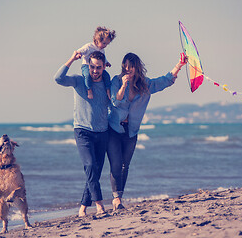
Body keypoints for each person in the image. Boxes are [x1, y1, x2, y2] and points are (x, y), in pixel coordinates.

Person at [107, 52, 188, 210]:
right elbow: (115, 102)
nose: (128, 69)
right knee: (116, 164)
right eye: (125, 67)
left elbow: (165, 81)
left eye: (131, 67)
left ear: (137, 68)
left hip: (131, 130)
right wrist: (124, 85)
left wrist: (179, 65)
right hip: (114, 128)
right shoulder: (116, 81)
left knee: (125, 165)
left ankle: (119, 197)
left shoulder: (145, 85)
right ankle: (116, 199)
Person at [54, 50, 110, 217]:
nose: (95, 71)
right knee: (90, 166)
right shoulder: (79, 80)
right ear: (88, 66)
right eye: (92, 67)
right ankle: (99, 205)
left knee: (95, 172)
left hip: (102, 132)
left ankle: (83, 207)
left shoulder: (107, 85)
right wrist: (72, 58)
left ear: (104, 67)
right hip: (83, 131)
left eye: (98, 67)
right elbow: (58, 78)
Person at [77, 26, 116, 100]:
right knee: (87, 75)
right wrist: (79, 54)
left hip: (98, 67)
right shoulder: (89, 46)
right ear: (97, 40)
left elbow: (103, 58)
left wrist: (107, 63)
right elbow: (80, 51)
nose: (105, 46)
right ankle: (89, 90)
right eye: (104, 43)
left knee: (106, 76)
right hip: (86, 66)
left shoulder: (102, 50)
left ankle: (108, 90)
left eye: (107, 44)